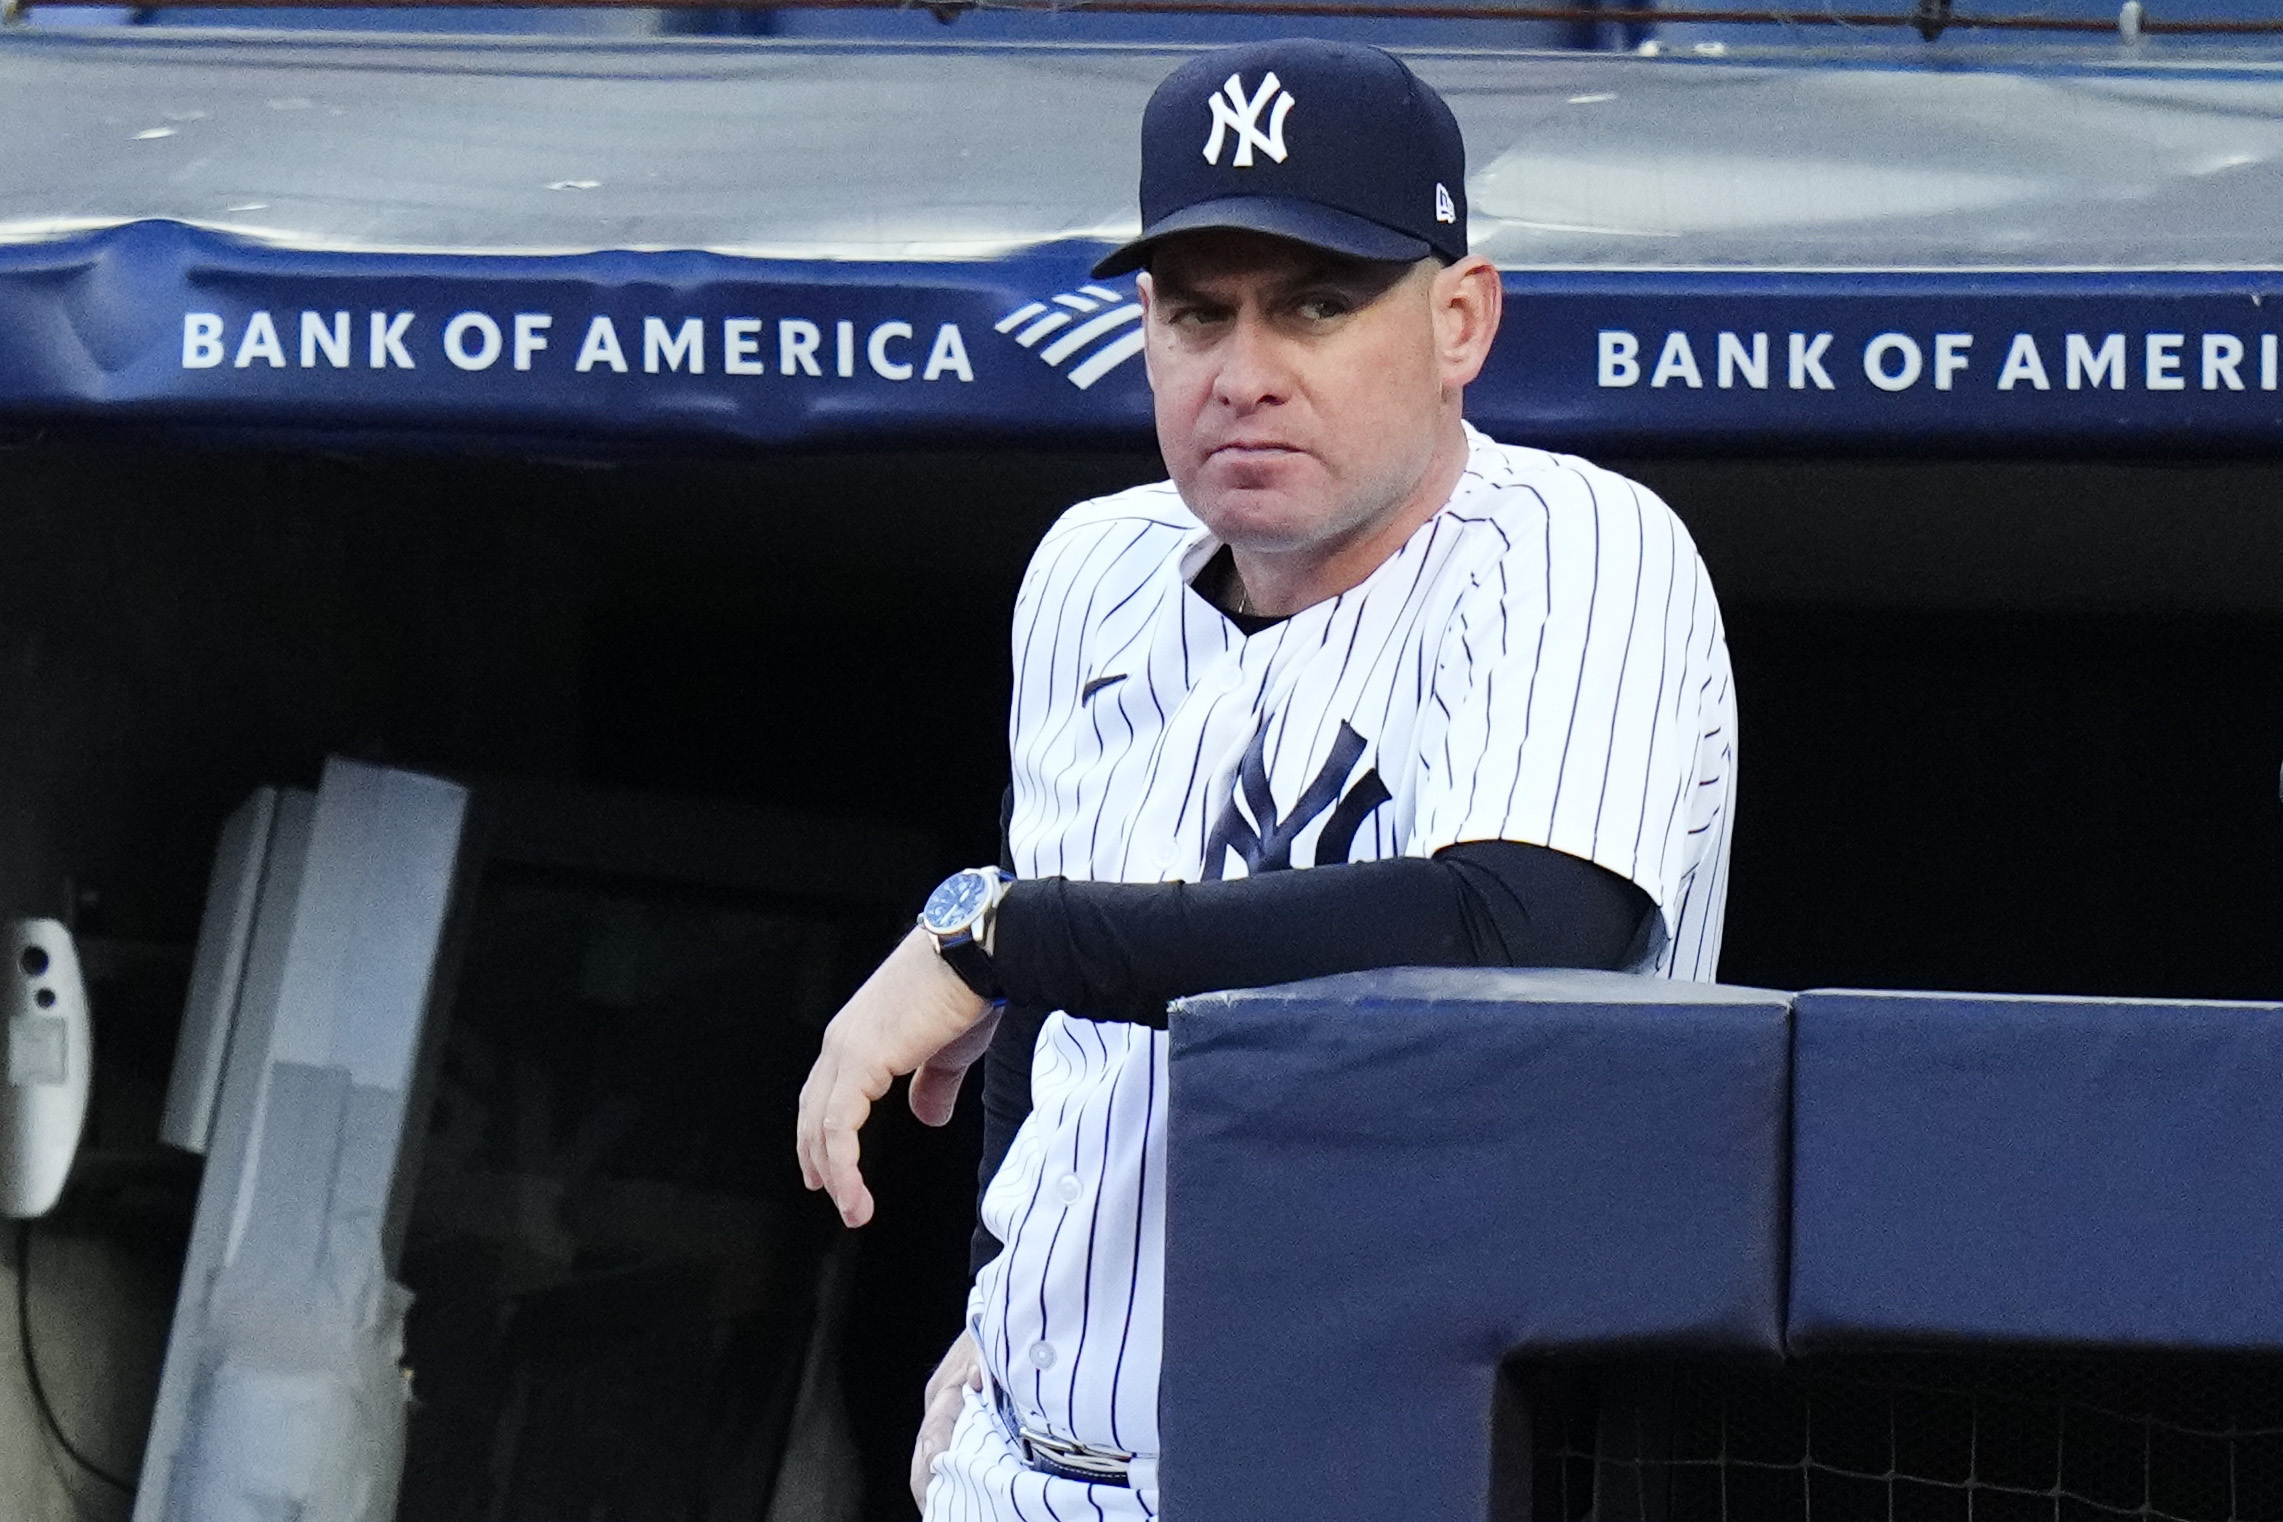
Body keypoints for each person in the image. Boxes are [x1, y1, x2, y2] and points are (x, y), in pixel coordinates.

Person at [795, 37, 1735, 1519]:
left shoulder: (1578, 547)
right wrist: (994, 1304)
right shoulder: (1090, 571)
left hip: (1385, 1477)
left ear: (1459, 322)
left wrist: (1001, 933)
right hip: (1028, 1470)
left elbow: (1519, 931)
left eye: (1316, 304)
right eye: (1195, 313)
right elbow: (1044, 1043)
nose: (1245, 374)